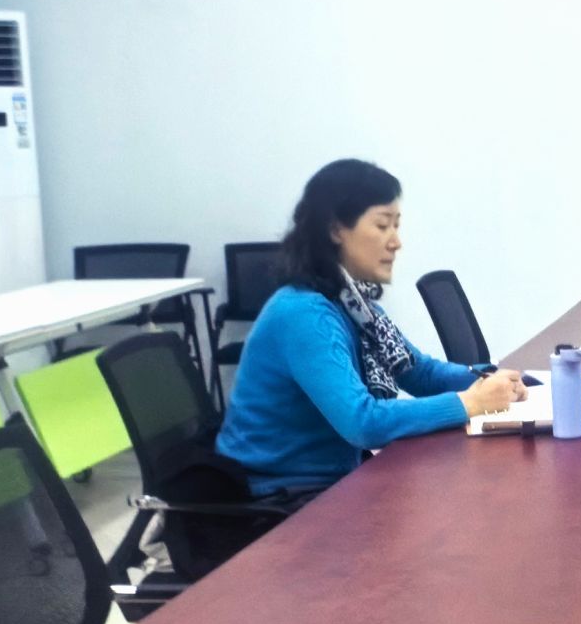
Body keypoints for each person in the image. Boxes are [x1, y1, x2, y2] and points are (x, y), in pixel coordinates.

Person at [217, 159, 524, 498]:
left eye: (396, 226)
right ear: (336, 229)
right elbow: (361, 422)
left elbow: (420, 373)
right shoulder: (304, 314)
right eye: (382, 225)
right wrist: (468, 403)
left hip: (331, 483)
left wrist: (492, 379)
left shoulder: (353, 304)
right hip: (280, 498)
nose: (396, 242)